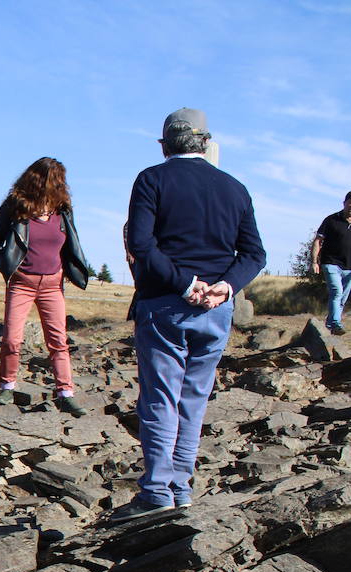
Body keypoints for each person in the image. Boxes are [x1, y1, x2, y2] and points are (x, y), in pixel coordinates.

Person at [116, 107, 265, 521]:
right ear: (206, 141)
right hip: (216, 310)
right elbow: (255, 254)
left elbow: (141, 245)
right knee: (194, 399)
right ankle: (180, 487)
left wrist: (185, 284)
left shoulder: (152, 179)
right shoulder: (235, 188)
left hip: (165, 304)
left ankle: (156, 492)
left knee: (160, 398)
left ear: (164, 145)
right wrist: (226, 285)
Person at [0, 157, 92, 417]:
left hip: (53, 285)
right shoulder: (14, 207)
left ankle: (65, 393)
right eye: (56, 180)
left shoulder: (62, 210)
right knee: (12, 338)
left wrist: (68, 271)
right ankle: (7, 387)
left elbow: (71, 243)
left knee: (58, 341)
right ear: (39, 180)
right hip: (22, 284)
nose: (60, 185)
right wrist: (9, 268)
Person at [312, 191, 351, 335]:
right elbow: (318, 241)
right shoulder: (331, 220)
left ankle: (330, 324)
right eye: (349, 204)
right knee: (337, 292)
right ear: (344, 203)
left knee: (342, 298)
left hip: (349, 267)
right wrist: (314, 261)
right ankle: (335, 323)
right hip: (331, 263)